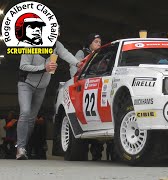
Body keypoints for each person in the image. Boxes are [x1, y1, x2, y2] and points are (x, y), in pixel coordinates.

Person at [16, 40, 83, 160]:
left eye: (57, 32)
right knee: (25, 112)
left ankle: (23, 146)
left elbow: (66, 54)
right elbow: (23, 65)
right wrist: (44, 67)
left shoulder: (56, 45)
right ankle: (20, 148)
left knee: (32, 119)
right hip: (26, 84)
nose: (56, 35)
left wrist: (78, 64)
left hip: (42, 87)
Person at [70, 33, 104, 161]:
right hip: (82, 87)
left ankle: (97, 154)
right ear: (89, 43)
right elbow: (74, 69)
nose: (98, 44)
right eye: (96, 41)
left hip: (96, 88)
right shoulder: (81, 53)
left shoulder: (101, 54)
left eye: (100, 42)